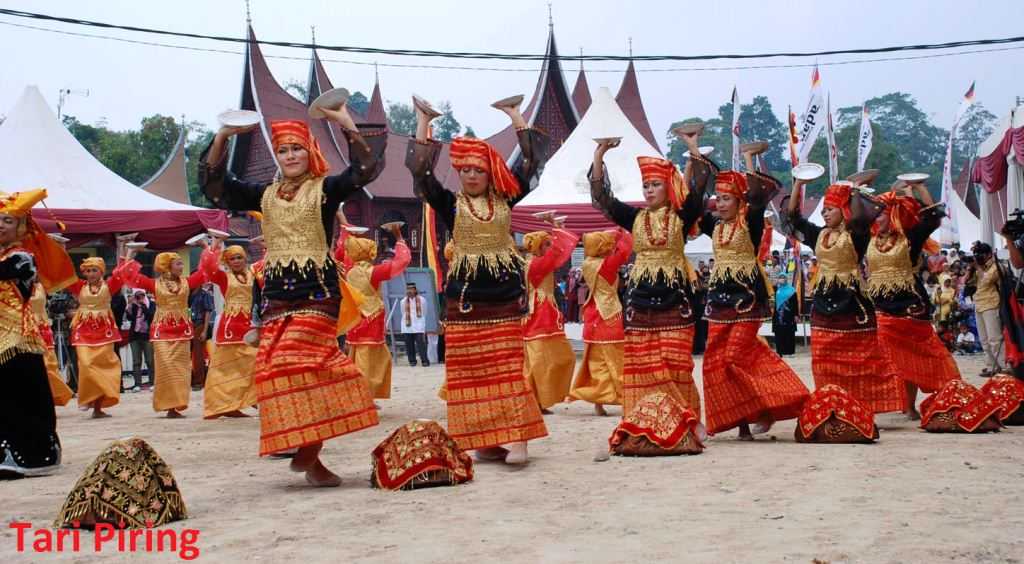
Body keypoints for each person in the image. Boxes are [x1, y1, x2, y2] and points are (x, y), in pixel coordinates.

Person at [200, 101, 384, 486]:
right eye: (283, 150)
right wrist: (222, 136)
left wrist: (345, 122)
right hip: (277, 299)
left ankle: (309, 449)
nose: (290, 156)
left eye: (296, 148)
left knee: (297, 362)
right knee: (272, 371)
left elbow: (365, 170)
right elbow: (217, 186)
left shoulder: (326, 190)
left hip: (318, 294)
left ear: (309, 151)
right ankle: (312, 458)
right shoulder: (263, 194)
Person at [408, 94, 547, 464]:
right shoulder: (449, 203)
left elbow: (532, 162)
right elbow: (421, 176)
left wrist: (517, 117)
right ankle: (485, 438)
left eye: (479, 170)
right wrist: (423, 123)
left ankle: (518, 439)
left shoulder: (506, 199)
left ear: (490, 173)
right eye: (466, 170)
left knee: (506, 367)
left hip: (502, 296)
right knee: (470, 371)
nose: (471, 175)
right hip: (465, 299)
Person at [589, 133, 713, 418]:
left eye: (655, 184)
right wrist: (599, 156)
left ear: (667, 188)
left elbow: (699, 186)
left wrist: (693, 147)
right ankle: (647, 416)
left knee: (676, 361)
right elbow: (602, 198)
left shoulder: (682, 216)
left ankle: (687, 417)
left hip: (674, 298)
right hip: (641, 298)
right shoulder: (634, 218)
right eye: (645, 186)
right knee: (642, 361)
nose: (649, 190)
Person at [700, 150, 810, 440]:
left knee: (735, 357)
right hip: (718, 302)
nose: (720, 204)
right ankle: (744, 425)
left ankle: (776, 404)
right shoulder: (715, 226)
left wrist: (749, 161)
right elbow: (692, 204)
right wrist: (695, 154)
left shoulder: (751, 224)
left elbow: (759, 197)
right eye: (719, 198)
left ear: (739, 201)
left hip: (747, 300)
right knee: (717, 363)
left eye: (727, 199)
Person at [782, 174, 905, 415]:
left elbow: (859, 218)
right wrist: (798, 184)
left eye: (830, 210)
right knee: (823, 360)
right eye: (824, 211)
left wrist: (855, 190)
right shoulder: (819, 235)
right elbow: (793, 218)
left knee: (859, 361)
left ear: (843, 210)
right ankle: (831, 405)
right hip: (823, 301)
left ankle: (862, 407)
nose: (825, 214)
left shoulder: (856, 235)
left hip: (852, 301)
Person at [866, 181, 959, 419]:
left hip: (909, 303)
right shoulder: (870, 238)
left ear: (893, 214)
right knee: (889, 354)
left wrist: (919, 188)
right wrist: (861, 189)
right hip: (879, 303)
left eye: (882, 214)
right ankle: (900, 403)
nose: (876, 218)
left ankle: (913, 405)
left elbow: (932, 218)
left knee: (915, 354)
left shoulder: (909, 237)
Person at [0, 188, 75, 478]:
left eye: (7, 220)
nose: (1, 225)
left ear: (20, 226)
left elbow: (6, 271)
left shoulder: (22, 258)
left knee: (21, 396)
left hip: (19, 339)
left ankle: (33, 455)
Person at [116, 251, 208, 417]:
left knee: (181, 369)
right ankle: (168, 405)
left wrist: (209, 246)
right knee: (166, 367)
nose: (182, 267)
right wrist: (129, 254)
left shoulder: (187, 282)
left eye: (181, 263)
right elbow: (128, 275)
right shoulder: (154, 284)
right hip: (162, 331)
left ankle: (177, 405)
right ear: (167, 266)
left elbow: (204, 272)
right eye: (178, 264)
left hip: (182, 331)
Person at [338, 224, 411, 401]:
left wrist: (346, 233)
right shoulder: (374, 272)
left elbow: (341, 253)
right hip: (371, 317)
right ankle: (364, 395)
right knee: (370, 359)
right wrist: (399, 238)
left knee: (356, 355)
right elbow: (401, 262)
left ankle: (357, 394)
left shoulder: (348, 270)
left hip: (355, 317)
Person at [568, 228, 633, 415]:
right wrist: (622, 231)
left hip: (592, 312)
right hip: (610, 313)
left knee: (596, 359)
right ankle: (623, 397)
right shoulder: (607, 265)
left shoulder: (587, 263)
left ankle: (599, 401)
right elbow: (625, 250)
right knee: (617, 357)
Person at [522, 217, 579, 413]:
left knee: (548, 359)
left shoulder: (536, 262)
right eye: (546, 244)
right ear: (538, 246)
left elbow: (558, 253)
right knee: (541, 361)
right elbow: (558, 252)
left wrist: (557, 230)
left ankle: (537, 400)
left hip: (543, 312)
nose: (550, 247)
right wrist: (557, 230)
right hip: (540, 313)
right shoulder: (537, 264)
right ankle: (535, 401)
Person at [199, 242, 259, 419]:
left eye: (239, 257)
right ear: (227, 261)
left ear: (245, 258)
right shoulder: (223, 277)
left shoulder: (254, 275)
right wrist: (212, 245)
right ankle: (224, 406)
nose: (237, 261)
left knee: (255, 361)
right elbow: (208, 267)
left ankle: (249, 397)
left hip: (250, 324)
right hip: (230, 326)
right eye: (232, 258)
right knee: (225, 369)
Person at [66, 257, 131, 418]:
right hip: (84, 330)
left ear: (101, 271)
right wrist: (61, 248)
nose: (91, 273)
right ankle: (87, 398)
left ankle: (97, 407)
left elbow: (121, 274)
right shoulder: (79, 286)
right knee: (86, 364)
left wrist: (128, 252)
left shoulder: (109, 286)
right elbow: (65, 274)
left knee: (103, 365)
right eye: (88, 271)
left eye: (94, 270)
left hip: (104, 331)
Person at [30, 282, 73, 406]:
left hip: (42, 327)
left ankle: (51, 396)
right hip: (25, 328)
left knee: (48, 364)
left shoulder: (42, 286)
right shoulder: (13, 286)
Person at [972, 242, 1003, 376]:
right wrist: (970, 269)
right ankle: (991, 367)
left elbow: (986, 281)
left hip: (991, 304)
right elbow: (968, 282)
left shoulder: (995, 267)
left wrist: (978, 267)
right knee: (984, 340)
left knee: (994, 338)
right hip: (979, 304)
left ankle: (1004, 365)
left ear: (989, 254)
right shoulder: (981, 268)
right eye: (977, 254)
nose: (979, 257)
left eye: (981, 254)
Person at [125, 289, 156, 390]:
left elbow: (151, 316)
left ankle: (152, 383)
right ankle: (137, 384)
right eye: (137, 296)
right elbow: (129, 318)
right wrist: (129, 305)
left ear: (145, 295)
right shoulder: (133, 305)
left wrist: (143, 306)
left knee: (150, 361)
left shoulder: (151, 304)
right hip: (135, 336)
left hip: (147, 335)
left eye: (141, 295)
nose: (140, 298)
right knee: (136, 361)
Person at [189, 281, 215, 390]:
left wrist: (204, 330)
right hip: (187, 325)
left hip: (199, 325)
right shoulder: (187, 294)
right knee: (186, 354)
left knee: (198, 355)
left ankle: (199, 381)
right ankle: (189, 379)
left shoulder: (205, 294)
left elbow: (208, 313)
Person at [399, 282, 429, 368]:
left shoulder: (422, 300)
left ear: (415, 290)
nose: (409, 291)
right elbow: (402, 312)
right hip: (407, 325)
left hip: (419, 324)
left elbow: (425, 311)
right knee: (409, 344)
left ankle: (424, 361)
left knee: (421, 343)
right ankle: (412, 361)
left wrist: (420, 320)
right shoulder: (403, 301)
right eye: (408, 289)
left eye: (411, 289)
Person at [771, 275, 798, 356]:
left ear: (786, 279)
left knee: (789, 333)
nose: (781, 279)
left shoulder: (792, 290)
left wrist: (796, 315)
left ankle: (790, 352)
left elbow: (795, 304)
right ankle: (780, 351)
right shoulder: (777, 290)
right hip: (778, 316)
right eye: (780, 277)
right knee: (779, 333)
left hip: (789, 315)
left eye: (783, 277)